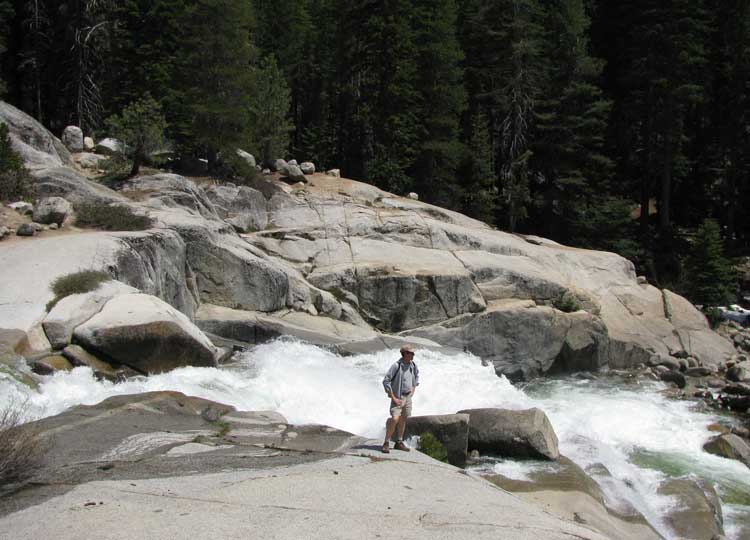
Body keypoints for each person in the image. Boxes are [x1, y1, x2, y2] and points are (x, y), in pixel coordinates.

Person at [381, 345, 419, 453]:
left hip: (408, 397)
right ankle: (386, 442)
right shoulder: (396, 366)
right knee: (395, 419)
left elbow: (416, 378)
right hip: (398, 396)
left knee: (403, 419)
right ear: (404, 353)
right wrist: (393, 397)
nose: (413, 355)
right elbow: (386, 381)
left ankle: (399, 441)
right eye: (411, 353)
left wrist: (413, 390)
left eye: (413, 353)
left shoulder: (413, 365)